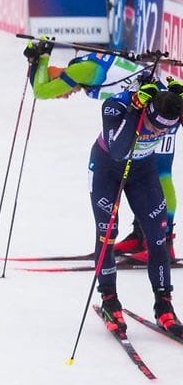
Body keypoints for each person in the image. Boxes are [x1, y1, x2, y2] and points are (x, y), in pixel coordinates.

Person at [24, 40, 178, 263]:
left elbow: (41, 91)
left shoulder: (82, 71)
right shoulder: (86, 68)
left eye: (62, 91)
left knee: (160, 174)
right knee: (140, 168)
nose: (64, 95)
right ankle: (140, 236)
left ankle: (165, 244)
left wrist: (41, 59)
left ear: (58, 75)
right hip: (146, 112)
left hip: (161, 115)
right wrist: (35, 61)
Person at [90, 82, 183, 338]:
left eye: (165, 129)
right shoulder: (116, 106)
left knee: (157, 237)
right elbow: (119, 151)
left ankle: (164, 305)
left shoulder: (170, 110)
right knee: (107, 232)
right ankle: (109, 299)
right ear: (148, 110)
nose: (157, 132)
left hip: (143, 172)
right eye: (154, 126)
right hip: (107, 169)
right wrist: (133, 111)